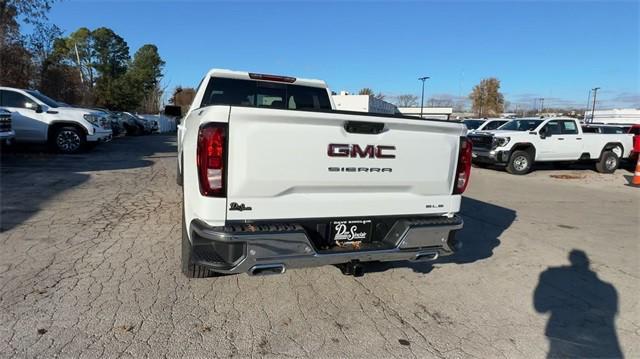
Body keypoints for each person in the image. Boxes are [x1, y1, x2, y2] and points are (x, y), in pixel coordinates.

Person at [534, 250, 623, 358]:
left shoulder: (554, 276)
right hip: (597, 344)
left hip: (563, 339)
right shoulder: (608, 289)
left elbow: (540, 307)